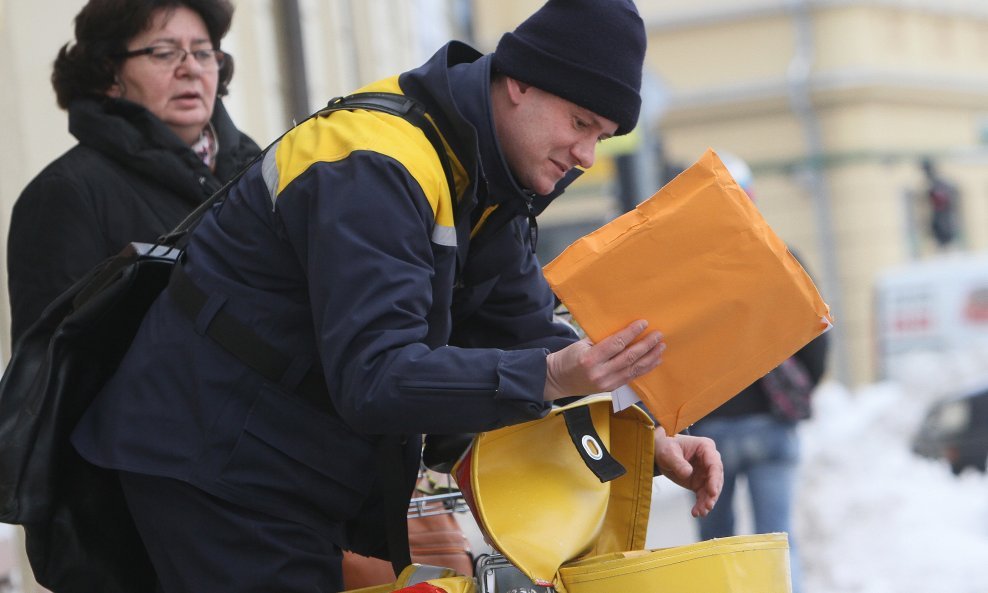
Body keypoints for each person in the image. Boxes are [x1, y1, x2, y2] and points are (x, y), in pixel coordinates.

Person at [70, 1, 724, 591]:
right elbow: (376, 375)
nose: (585, 154)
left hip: (287, 466)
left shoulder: (491, 175)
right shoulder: (376, 166)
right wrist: (550, 374)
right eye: (580, 121)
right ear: (520, 81)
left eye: (602, 136)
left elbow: (525, 333)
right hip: (212, 460)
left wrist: (639, 434)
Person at [6, 0, 260, 344]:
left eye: (202, 53)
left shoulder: (258, 169)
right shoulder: (65, 193)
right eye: (163, 53)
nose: (191, 69)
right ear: (110, 73)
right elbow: (54, 368)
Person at [689, 152, 829, 593]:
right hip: (771, 422)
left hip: (709, 431)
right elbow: (817, 341)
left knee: (715, 551)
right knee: (778, 545)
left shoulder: (689, 272)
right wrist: (799, 389)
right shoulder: (782, 257)